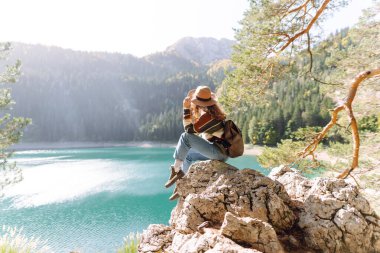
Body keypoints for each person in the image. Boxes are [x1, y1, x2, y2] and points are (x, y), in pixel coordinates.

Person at [164, 85, 229, 200]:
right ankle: (182, 183)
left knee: (185, 137)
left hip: (218, 153)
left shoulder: (209, 117)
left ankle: (176, 169)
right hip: (219, 151)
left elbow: (188, 131)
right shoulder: (212, 114)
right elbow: (197, 132)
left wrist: (185, 109)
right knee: (188, 155)